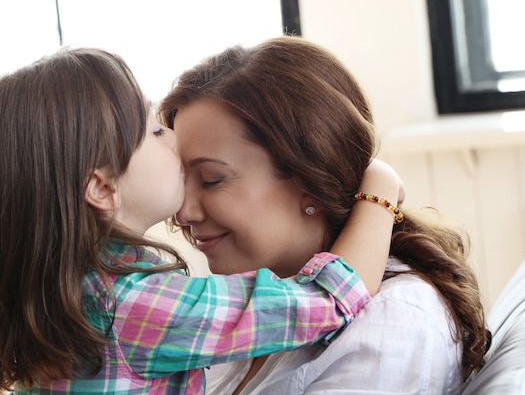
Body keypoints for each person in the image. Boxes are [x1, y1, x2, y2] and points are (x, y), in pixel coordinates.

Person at [0, 47, 404, 395]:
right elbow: (330, 300)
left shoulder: (62, 290)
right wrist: (378, 189)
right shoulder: (129, 305)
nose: (172, 140)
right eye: (155, 130)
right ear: (102, 187)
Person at [158, 36, 491, 395]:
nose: (183, 211)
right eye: (180, 180)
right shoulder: (262, 298)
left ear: (309, 179)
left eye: (211, 179)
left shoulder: (392, 319)